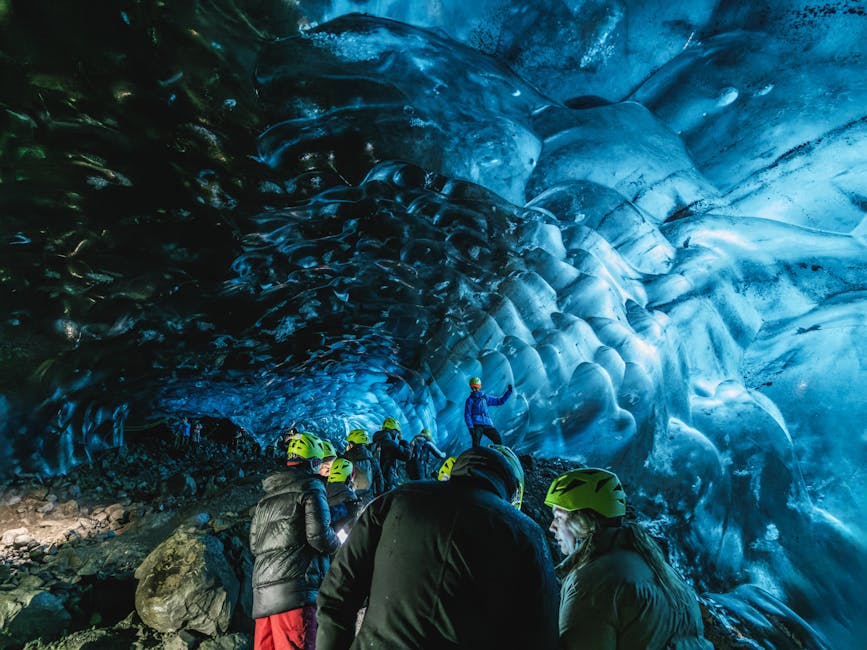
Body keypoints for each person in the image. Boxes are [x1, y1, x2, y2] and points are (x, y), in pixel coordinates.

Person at [316, 446, 560, 649]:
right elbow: (539, 636)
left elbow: (338, 593)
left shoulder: (399, 498)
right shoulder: (527, 535)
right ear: (508, 485)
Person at [545, 468, 712, 650]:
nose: (552, 527)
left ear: (584, 521)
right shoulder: (661, 570)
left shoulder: (593, 582)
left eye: (559, 517)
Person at [250, 432, 339, 650]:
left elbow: (254, 545)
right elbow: (319, 537)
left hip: (262, 596)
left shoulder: (265, 498)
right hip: (294, 592)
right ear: (313, 461)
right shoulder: (310, 487)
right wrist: (339, 544)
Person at [464, 376, 513, 447]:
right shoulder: (470, 400)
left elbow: (500, 401)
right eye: (472, 387)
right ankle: (475, 456)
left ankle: (498, 453)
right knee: (476, 443)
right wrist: (471, 427)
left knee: (497, 439)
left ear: (479, 387)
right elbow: (467, 415)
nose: (474, 389)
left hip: (487, 424)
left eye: (476, 387)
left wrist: (509, 392)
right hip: (477, 425)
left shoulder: (485, 397)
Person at [341, 428, 384, 499]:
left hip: (350, 495)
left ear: (351, 444)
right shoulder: (371, 457)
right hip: (368, 495)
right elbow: (379, 478)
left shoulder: (346, 457)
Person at [326, 458, 360, 540]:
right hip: (336, 540)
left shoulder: (322, 488)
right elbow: (351, 529)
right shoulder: (350, 496)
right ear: (348, 477)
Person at [372, 417, 410, 491]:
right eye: (396, 432)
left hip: (376, 482)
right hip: (387, 481)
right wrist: (402, 440)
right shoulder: (390, 443)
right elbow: (407, 455)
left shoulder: (375, 442)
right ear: (393, 430)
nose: (396, 435)